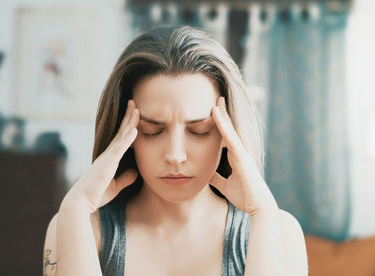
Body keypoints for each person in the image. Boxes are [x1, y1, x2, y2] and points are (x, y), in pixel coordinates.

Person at [43, 26, 308, 276]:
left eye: (200, 130)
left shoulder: (279, 231)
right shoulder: (81, 225)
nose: (175, 155)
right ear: (124, 136)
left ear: (229, 134)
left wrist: (262, 214)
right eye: (151, 131)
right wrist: (76, 207)